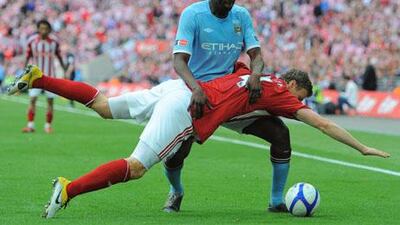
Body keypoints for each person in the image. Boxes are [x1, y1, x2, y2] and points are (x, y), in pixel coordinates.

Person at [8, 64, 390, 219]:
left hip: (180, 86)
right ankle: (68, 189)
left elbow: (237, 87)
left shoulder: (253, 72)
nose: (300, 103)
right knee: (137, 167)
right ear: (291, 86)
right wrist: (362, 148)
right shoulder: (280, 94)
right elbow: (322, 124)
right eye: (301, 95)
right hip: (185, 108)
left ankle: (40, 79)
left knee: (105, 106)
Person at [164, 0, 293, 213]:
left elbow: (257, 56)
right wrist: (196, 89)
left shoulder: (241, 16)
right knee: (179, 152)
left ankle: (277, 200)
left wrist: (255, 74)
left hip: (232, 93)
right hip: (200, 93)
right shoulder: (192, 14)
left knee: (280, 133)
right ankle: (176, 190)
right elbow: (179, 61)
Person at [22, 19, 66, 133]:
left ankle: (48, 126)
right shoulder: (31, 41)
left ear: (49, 30)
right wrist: (24, 71)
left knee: (50, 101)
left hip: (50, 76)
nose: (44, 31)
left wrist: (64, 69)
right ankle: (30, 125)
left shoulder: (54, 42)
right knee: (32, 99)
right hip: (35, 76)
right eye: (41, 28)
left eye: (46, 29)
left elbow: (59, 56)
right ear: (38, 29)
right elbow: (27, 56)